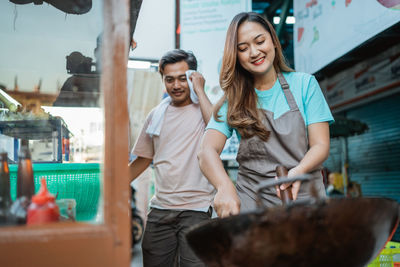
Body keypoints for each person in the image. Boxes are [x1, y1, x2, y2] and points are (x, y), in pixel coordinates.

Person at [198, 12, 334, 218]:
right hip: (252, 200)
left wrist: (297, 172)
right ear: (236, 56)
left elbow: (321, 145)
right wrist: (224, 187)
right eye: (243, 48)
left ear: (273, 40)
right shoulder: (233, 99)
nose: (254, 52)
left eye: (260, 41)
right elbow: (206, 150)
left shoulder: (305, 84)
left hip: (304, 196)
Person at [128, 49, 215, 267]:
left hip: (197, 209)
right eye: (169, 79)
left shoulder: (203, 110)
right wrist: (112, 185)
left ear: (194, 76)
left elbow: (216, 129)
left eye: (182, 78)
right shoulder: (156, 115)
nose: (176, 85)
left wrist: (200, 90)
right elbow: (143, 159)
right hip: (161, 210)